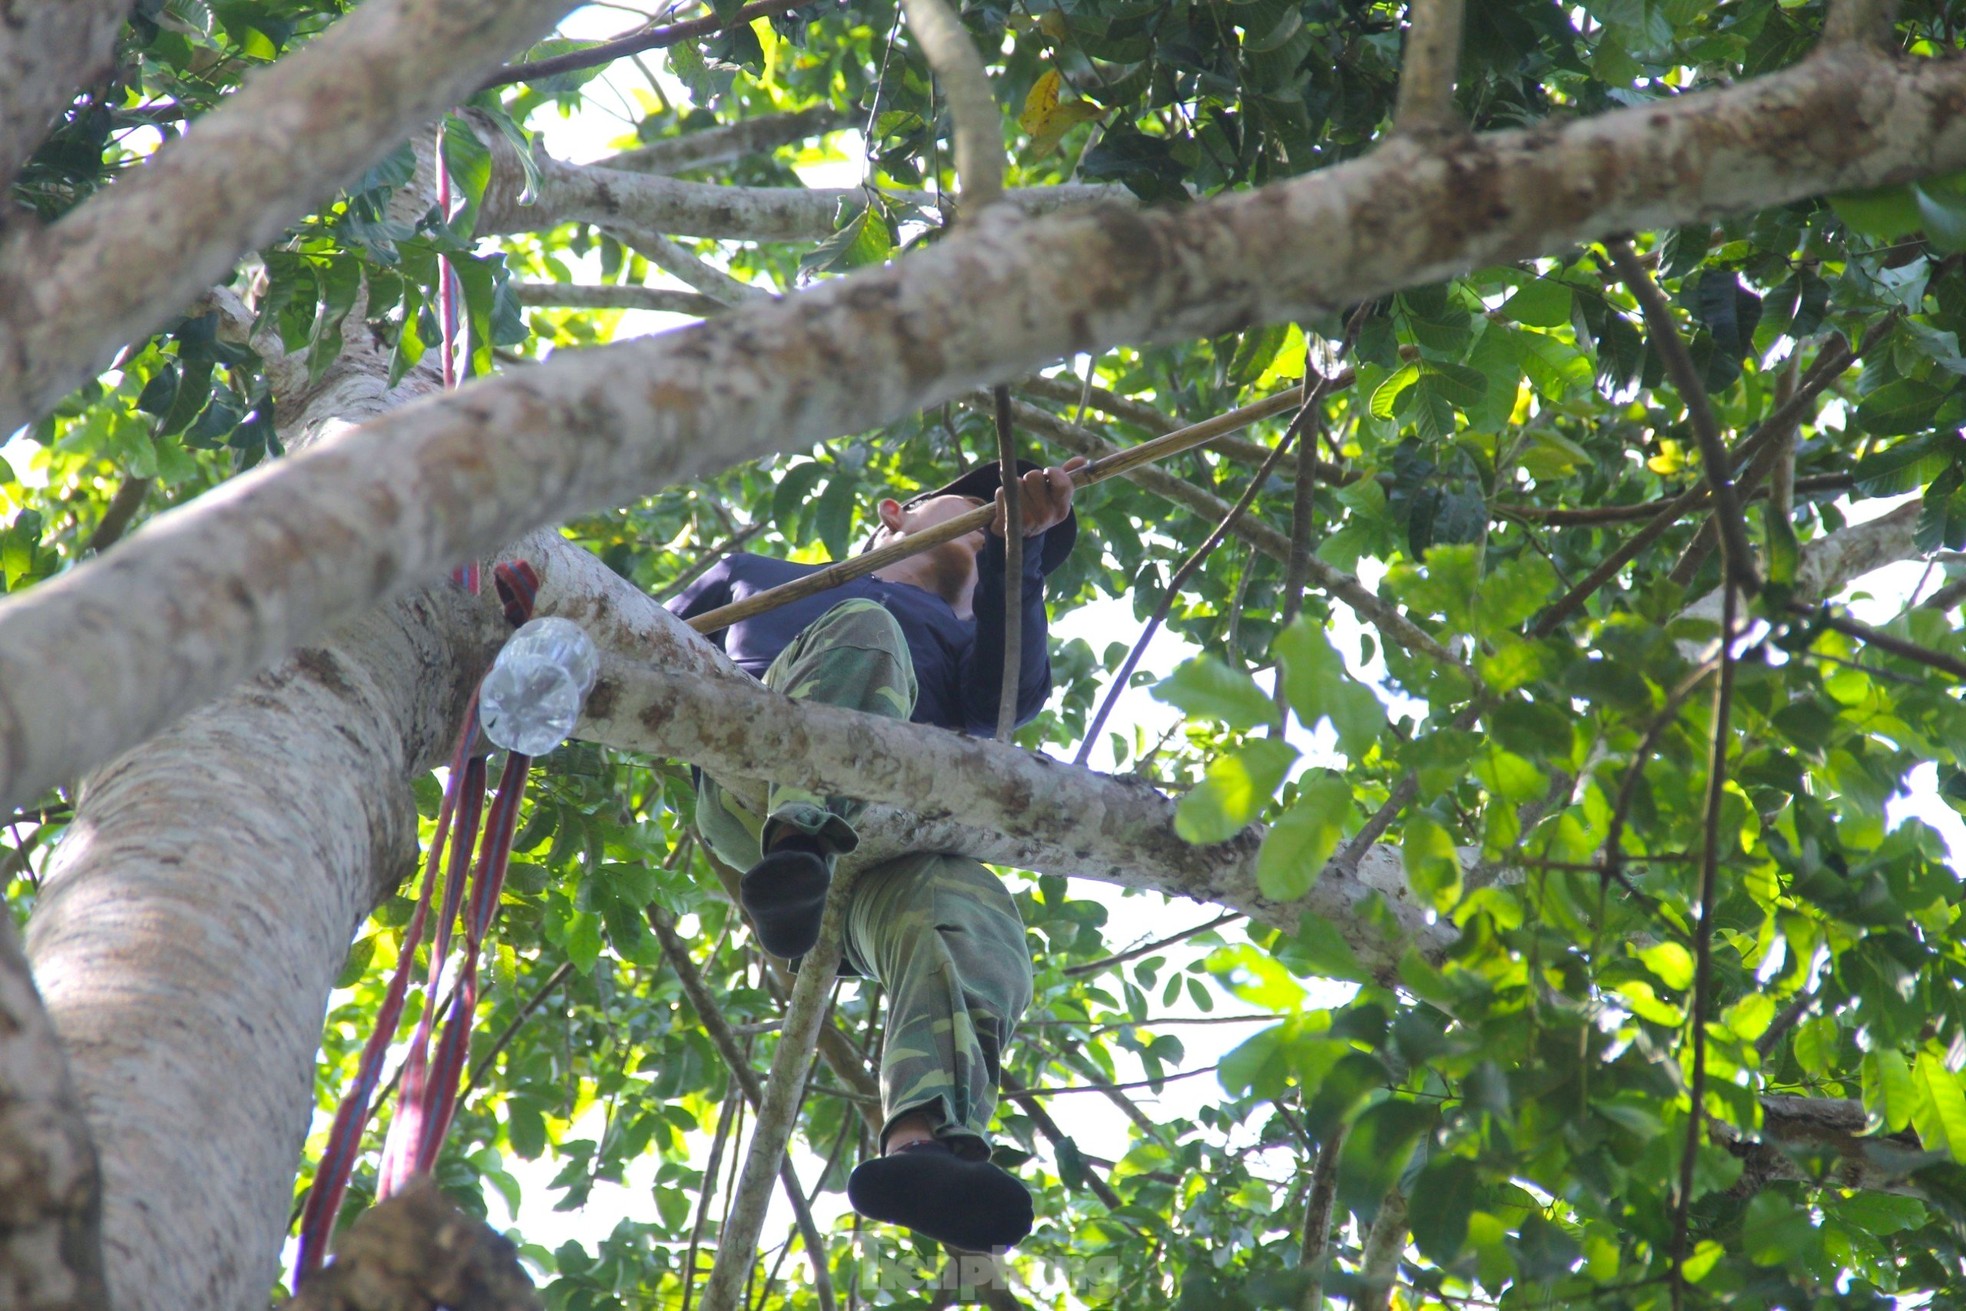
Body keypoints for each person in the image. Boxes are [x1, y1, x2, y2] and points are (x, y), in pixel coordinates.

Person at [664, 455, 1086, 1253]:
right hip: (753, 779)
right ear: (896, 512)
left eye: (1001, 515)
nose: (991, 513)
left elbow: (1011, 700)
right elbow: (619, 636)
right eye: (976, 502)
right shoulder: (757, 577)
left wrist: (1018, 550)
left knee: (972, 911)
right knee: (869, 628)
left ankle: (926, 1144)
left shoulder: (973, 646)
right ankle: (795, 845)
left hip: (877, 848)